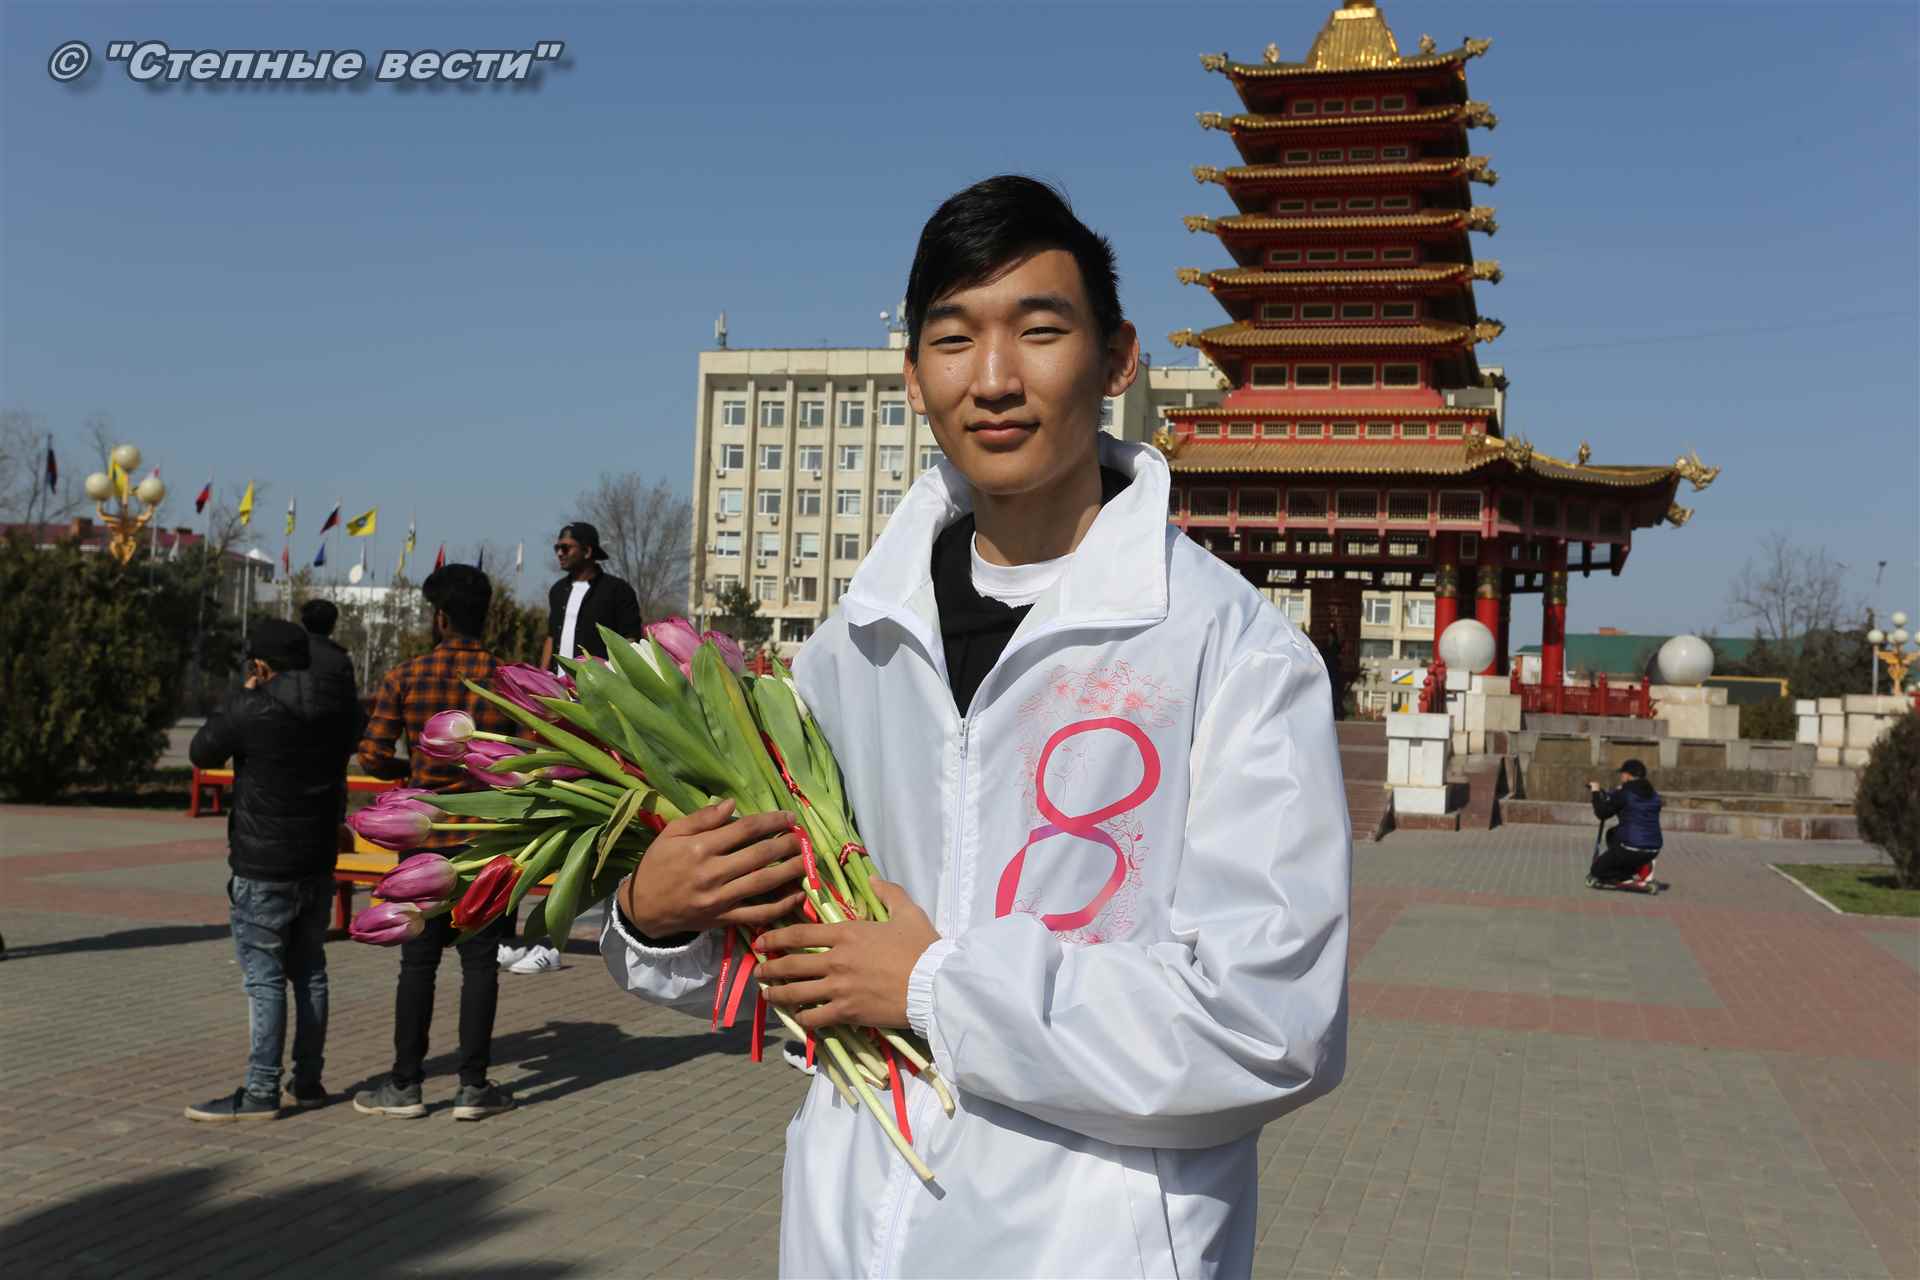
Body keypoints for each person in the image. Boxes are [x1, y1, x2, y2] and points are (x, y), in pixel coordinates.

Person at [601, 176, 1350, 1276]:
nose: (994, 378)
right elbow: (794, 970)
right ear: (914, 376)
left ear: (1118, 358)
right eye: (953, 339)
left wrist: (935, 986)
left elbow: (1269, 1024)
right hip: (849, 1239)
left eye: (1039, 331)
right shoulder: (852, 651)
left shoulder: (1229, 650)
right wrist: (655, 919)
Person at [352, 564, 517, 1121]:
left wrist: (410, 773)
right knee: (480, 964)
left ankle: (406, 1085)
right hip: (490, 840)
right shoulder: (507, 681)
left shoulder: (405, 676)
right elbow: (529, 761)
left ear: (440, 617)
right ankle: (473, 1087)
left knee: (417, 963)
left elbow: (372, 754)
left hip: (422, 838)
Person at [185, 620, 350, 1122]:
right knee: (311, 972)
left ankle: (261, 1090)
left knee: (264, 979)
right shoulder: (334, 707)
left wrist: (240, 694)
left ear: (260, 664)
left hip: (263, 864)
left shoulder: (250, 706)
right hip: (316, 858)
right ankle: (309, 1081)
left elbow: (200, 751)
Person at [541, 521, 644, 670]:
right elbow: (551, 637)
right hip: (557, 682)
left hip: (600, 681)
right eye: (557, 548)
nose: (560, 553)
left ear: (587, 551)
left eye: (565, 548)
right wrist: (542, 675)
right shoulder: (557, 591)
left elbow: (630, 640)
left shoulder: (618, 590)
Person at [298, 598, 366, 748]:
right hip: (328, 743)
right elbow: (349, 705)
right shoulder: (339, 660)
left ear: (303, 622)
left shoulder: (290, 653)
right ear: (332, 626)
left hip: (290, 739)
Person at [1588, 758, 1664, 884]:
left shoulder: (1625, 793)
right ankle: (1640, 866)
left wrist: (1595, 792)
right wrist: (1619, 792)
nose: (1621, 776)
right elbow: (1636, 806)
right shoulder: (1654, 795)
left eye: (1622, 774)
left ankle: (1623, 874)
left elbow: (1602, 813)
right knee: (1612, 833)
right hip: (1654, 849)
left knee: (1596, 871)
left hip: (1630, 848)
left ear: (1628, 775)